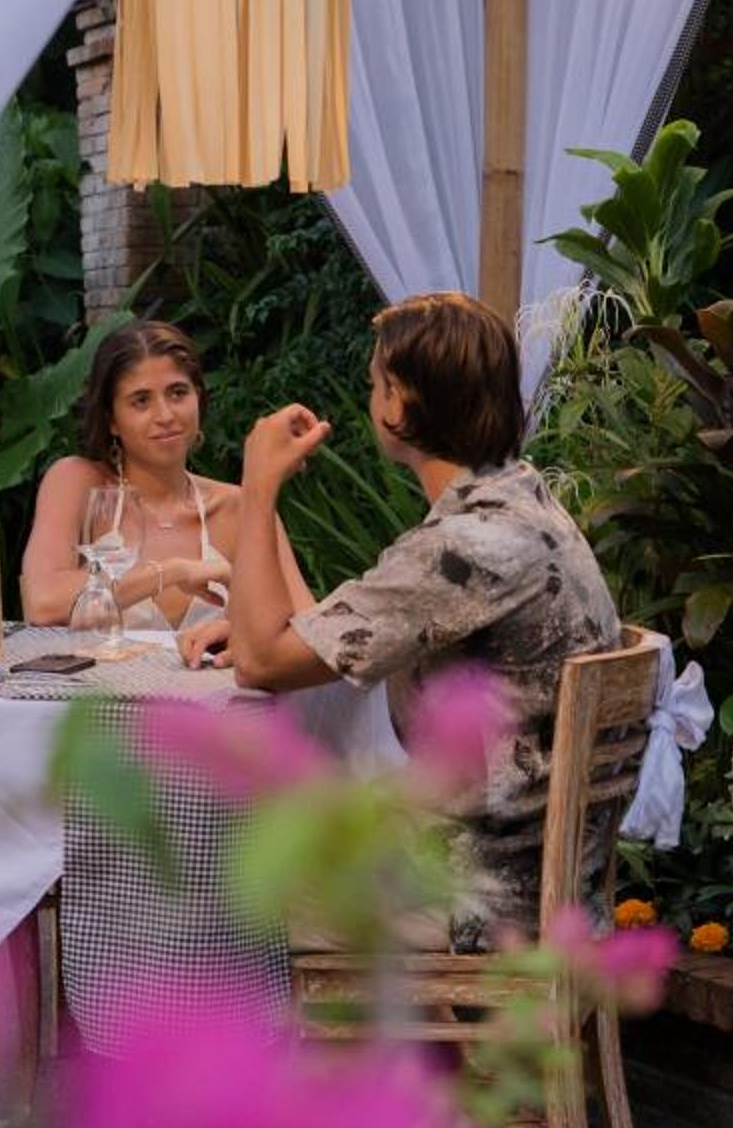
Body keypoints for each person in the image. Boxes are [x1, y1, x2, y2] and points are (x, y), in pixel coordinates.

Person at [183, 291, 621, 946]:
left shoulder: (464, 549)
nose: (371, 400)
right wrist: (267, 631)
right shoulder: (523, 503)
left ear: (399, 403)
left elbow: (261, 663)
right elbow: (334, 633)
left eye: (374, 385)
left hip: (481, 894)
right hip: (544, 874)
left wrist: (260, 484)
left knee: (239, 883)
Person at [21, 319, 315, 642]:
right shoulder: (78, 483)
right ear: (111, 420)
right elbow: (43, 603)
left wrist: (238, 635)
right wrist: (173, 572)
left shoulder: (240, 506)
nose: (165, 416)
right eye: (141, 401)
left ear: (198, 399)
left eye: (177, 393)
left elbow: (310, 633)